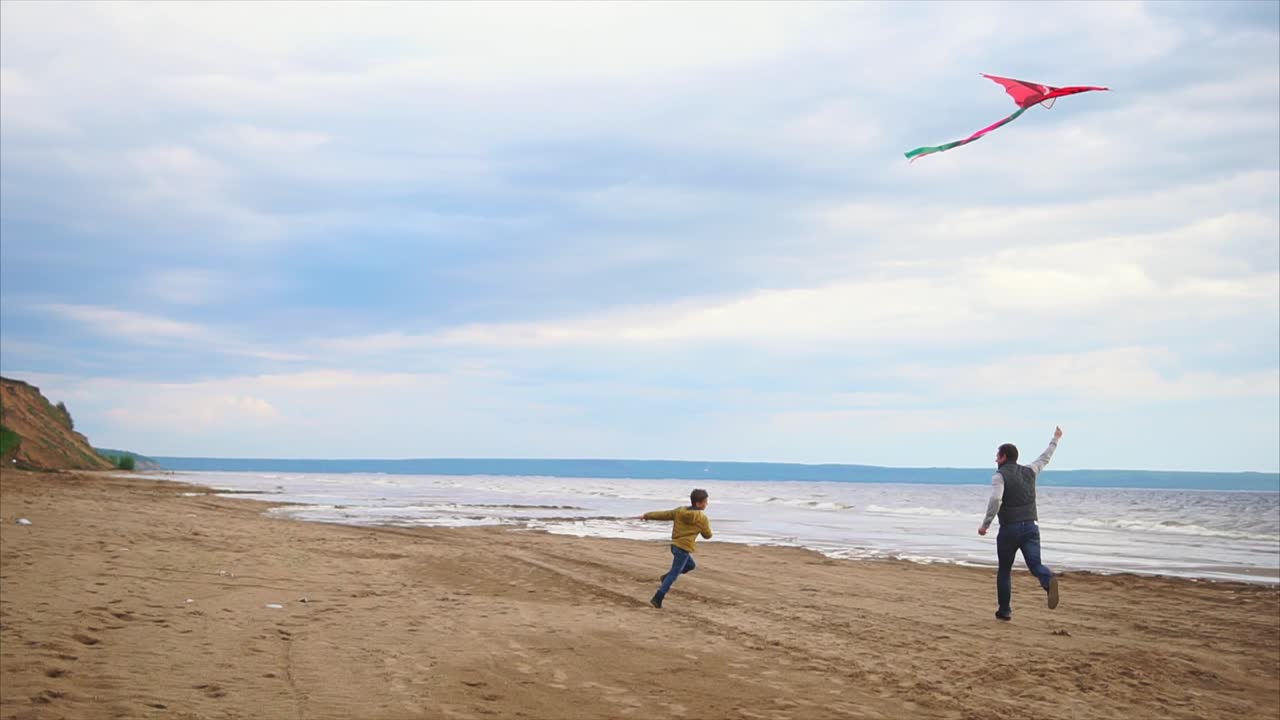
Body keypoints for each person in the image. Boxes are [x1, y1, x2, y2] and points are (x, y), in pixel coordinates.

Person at [978, 426, 1063, 621]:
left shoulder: (999, 476)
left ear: (1004, 457)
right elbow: (1045, 458)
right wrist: (1055, 439)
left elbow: (996, 500)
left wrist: (986, 524)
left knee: (1005, 570)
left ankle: (1005, 611)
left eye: (997, 456)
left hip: (1010, 529)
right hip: (1031, 526)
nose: (995, 460)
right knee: (1035, 565)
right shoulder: (1030, 471)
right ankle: (1047, 579)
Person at [638, 489, 713, 609]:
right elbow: (708, 536)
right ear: (698, 503)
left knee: (691, 565)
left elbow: (664, 514)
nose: (706, 504)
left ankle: (665, 578)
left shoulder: (680, 511)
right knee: (674, 573)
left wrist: (647, 515)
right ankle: (658, 598)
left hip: (675, 546)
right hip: (683, 548)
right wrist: (702, 528)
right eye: (705, 502)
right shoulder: (702, 519)